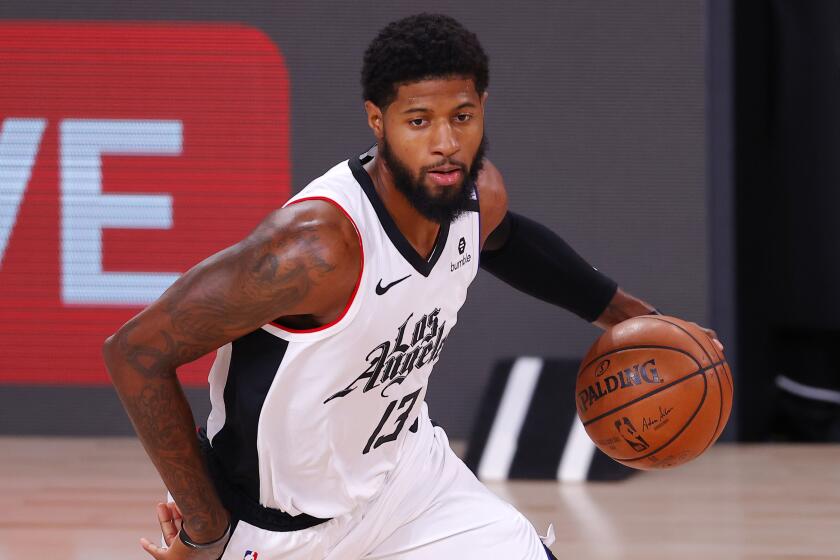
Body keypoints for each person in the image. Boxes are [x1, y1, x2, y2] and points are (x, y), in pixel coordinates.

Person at [103, 13, 720, 560]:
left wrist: (633, 315)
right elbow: (135, 353)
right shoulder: (314, 250)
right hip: (277, 529)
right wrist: (206, 530)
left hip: (408, 483)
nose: (446, 144)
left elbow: (507, 240)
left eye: (462, 117)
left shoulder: (475, 196)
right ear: (378, 121)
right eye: (418, 121)